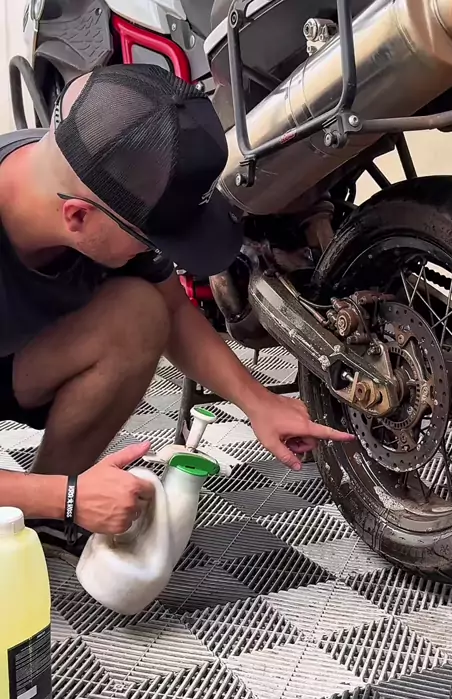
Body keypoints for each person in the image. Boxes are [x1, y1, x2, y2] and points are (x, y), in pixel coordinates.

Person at [0, 63, 352, 549]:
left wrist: (259, 403)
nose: (160, 254)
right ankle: (48, 501)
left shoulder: (102, 171)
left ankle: (38, 519)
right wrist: (67, 497)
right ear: (77, 216)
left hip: (19, 363)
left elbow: (173, 311)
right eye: (150, 240)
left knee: (140, 311)